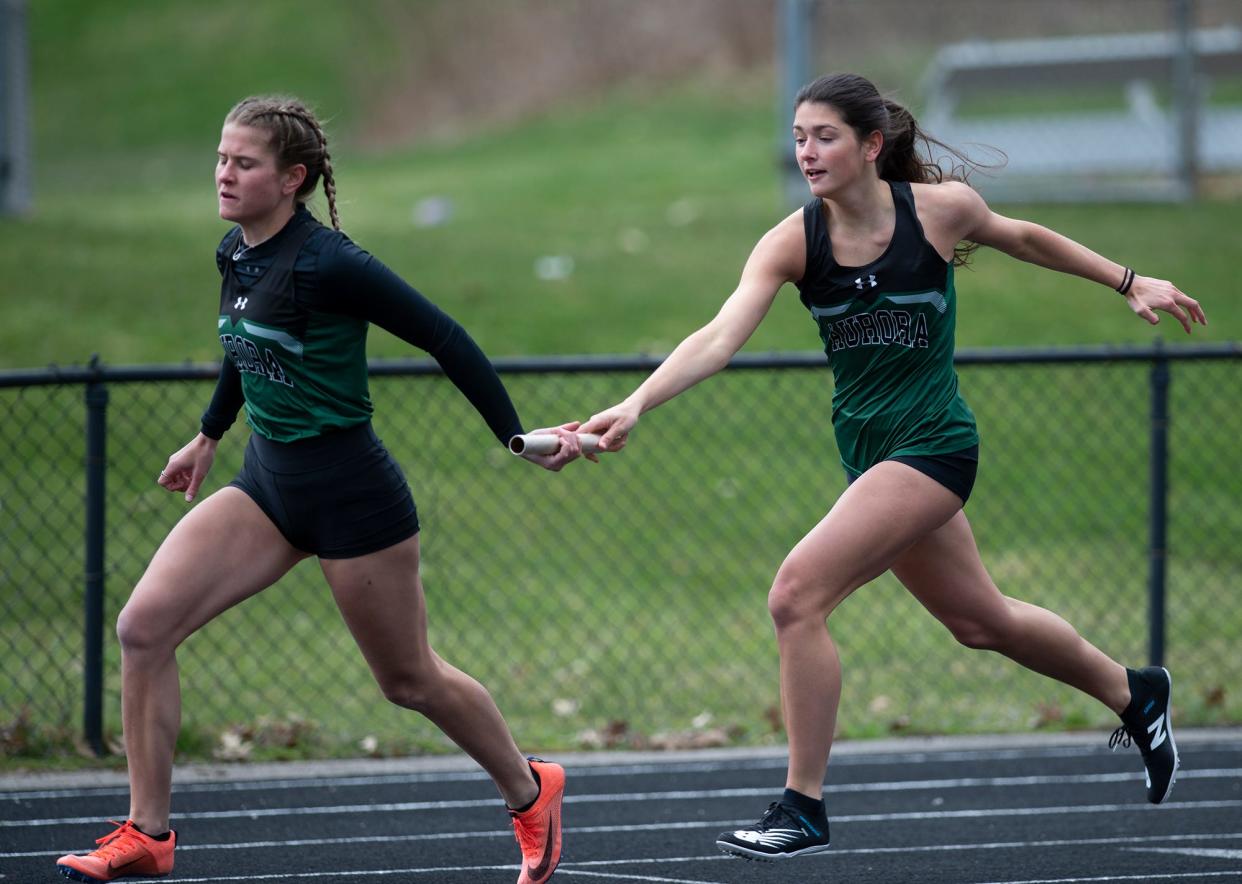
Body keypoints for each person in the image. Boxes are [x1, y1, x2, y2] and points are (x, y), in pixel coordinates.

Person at [578, 72, 1206, 863]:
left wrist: (1127, 279)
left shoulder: (937, 213)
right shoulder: (792, 241)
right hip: (872, 460)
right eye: (800, 137)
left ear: (871, 145)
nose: (806, 151)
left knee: (796, 596)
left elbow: (1025, 238)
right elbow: (717, 336)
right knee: (980, 621)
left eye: (825, 136)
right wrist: (636, 403)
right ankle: (1134, 692)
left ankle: (801, 806)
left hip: (936, 446)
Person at [56, 95, 578, 884]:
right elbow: (243, 343)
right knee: (144, 629)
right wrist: (207, 435)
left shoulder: (332, 262)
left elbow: (446, 335)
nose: (225, 175)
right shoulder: (235, 251)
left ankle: (528, 787)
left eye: (245, 163)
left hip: (350, 495)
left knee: (408, 680)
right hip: (267, 483)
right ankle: (148, 834)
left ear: (292, 177)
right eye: (221, 159)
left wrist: (515, 436)